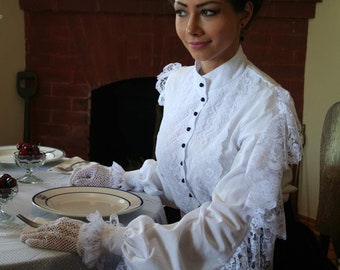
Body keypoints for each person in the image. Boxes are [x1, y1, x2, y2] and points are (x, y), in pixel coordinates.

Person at [20, 0, 304, 269]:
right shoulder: (177, 83)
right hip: (181, 246)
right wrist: (121, 178)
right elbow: (184, 175)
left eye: (208, 12)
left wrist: (108, 237)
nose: (191, 27)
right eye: (181, 11)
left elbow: (230, 227)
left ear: (244, 14)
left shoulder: (267, 105)